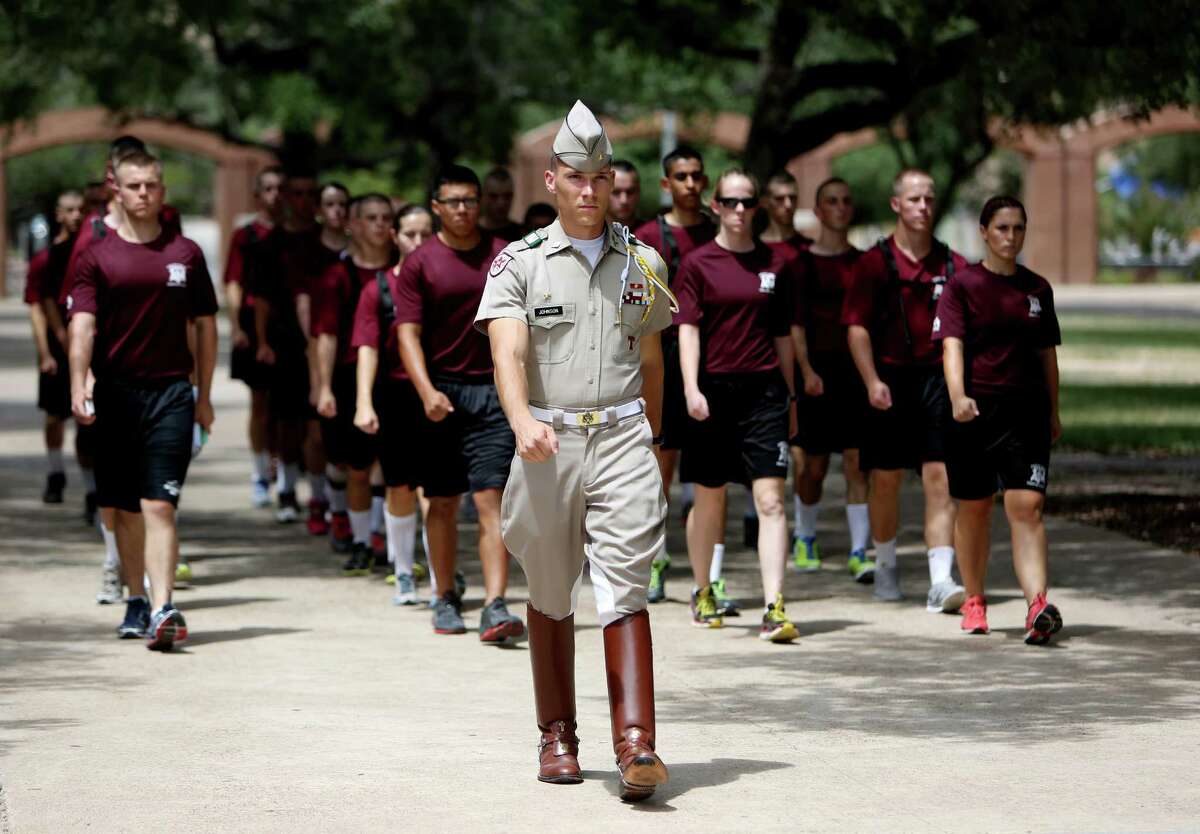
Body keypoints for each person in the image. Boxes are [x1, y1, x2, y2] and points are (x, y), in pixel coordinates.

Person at [477, 99, 673, 800]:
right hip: (547, 441)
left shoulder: (644, 262)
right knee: (552, 587)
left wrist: (652, 435)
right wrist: (521, 419)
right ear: (552, 182)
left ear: (612, 178)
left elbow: (653, 361)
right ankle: (557, 732)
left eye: (600, 176)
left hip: (621, 434)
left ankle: (637, 746)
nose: (588, 190)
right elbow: (507, 351)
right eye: (574, 177)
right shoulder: (518, 263)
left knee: (625, 584)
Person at [67, 150, 217, 651]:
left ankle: (162, 607)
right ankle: (135, 596)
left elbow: (205, 326)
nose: (144, 194)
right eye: (134, 186)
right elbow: (82, 325)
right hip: (114, 392)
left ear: (163, 190)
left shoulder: (186, 254)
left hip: (172, 392)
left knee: (160, 505)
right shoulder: (95, 256)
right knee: (124, 508)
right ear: (118, 190)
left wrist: (205, 395)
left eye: (152, 185)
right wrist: (78, 381)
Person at [396, 165, 525, 643]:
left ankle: (495, 603)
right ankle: (445, 594)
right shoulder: (420, 262)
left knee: (493, 500)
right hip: (441, 394)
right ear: (436, 207)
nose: (464, 210)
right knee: (444, 502)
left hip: (494, 392)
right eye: (453, 202)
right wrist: (427, 391)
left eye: (470, 200)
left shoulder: (503, 256)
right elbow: (406, 333)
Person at [675, 168, 800, 642]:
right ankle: (703, 589)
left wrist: (790, 397)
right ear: (716, 206)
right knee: (710, 497)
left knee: (770, 499)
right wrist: (690, 388)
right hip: (713, 393)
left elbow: (783, 335)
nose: (740, 211)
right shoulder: (697, 263)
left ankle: (774, 605)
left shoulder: (777, 263)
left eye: (748, 202)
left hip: (764, 394)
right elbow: (687, 330)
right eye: (731, 202)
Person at [934, 196, 1064, 644]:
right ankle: (974, 599)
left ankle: (1037, 606)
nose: (1011, 237)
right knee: (974, 508)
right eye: (1003, 228)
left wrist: (1054, 409)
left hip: (1026, 413)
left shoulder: (1038, 290)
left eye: (1018, 229)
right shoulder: (962, 286)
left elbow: (1046, 354)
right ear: (985, 231)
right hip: (973, 413)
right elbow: (951, 346)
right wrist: (957, 397)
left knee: (1026, 506)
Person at [841, 169, 967, 612]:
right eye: (914, 199)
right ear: (897, 204)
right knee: (886, 480)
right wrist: (872, 380)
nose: (923, 207)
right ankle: (888, 565)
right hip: (889, 380)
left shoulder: (954, 265)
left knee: (940, 479)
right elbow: (856, 328)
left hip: (936, 380)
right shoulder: (874, 263)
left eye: (929, 199)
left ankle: (940, 580)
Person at [634, 146, 717, 608]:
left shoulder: (719, 231)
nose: (689, 183)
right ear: (666, 184)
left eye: (696, 175)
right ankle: (657, 559)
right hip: (661, 356)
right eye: (680, 176)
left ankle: (710, 577)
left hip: (712, 359)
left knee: (708, 474)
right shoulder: (647, 237)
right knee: (658, 467)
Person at [789, 178, 873, 581]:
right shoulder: (801, 264)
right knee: (813, 468)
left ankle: (860, 549)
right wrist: (806, 372)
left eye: (846, 201)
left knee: (858, 464)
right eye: (831, 202)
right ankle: (805, 535)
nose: (840, 208)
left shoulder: (863, 263)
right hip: (816, 377)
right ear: (819, 211)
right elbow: (796, 326)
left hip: (855, 377)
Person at [353, 204, 434, 605]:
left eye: (425, 234)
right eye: (410, 234)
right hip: (395, 397)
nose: (417, 242)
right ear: (394, 237)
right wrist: (364, 401)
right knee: (399, 485)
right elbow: (367, 348)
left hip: (439, 394)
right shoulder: (378, 288)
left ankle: (440, 575)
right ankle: (402, 569)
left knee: (436, 490)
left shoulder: (441, 283)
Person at [313, 194, 393, 574]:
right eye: (371, 218)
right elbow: (324, 335)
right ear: (354, 225)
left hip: (396, 375)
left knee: (392, 467)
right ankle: (361, 540)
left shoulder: (402, 269)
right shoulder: (336, 275)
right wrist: (323, 385)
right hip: (349, 378)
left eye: (385, 218)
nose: (379, 224)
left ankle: (386, 538)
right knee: (358, 467)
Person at [254, 171, 322, 524]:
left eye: (311, 193)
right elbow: (262, 297)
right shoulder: (273, 242)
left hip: (324, 342)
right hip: (284, 342)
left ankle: (322, 495)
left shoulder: (326, 240)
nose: (303, 200)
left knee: (319, 423)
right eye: (297, 193)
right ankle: (286, 487)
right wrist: (262, 340)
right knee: (285, 422)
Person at [224, 166, 285, 509]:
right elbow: (232, 281)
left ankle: (288, 473)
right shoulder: (245, 236)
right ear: (258, 195)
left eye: (280, 188)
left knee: (289, 408)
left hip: (289, 326)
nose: (275, 195)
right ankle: (260, 473)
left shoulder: (296, 235)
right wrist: (236, 326)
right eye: (269, 189)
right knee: (260, 404)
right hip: (252, 322)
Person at [293, 182, 351, 540]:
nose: (337, 211)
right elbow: (303, 303)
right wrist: (313, 350)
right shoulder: (307, 250)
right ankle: (318, 497)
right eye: (330, 204)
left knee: (347, 436)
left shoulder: (358, 248)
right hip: (315, 346)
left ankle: (341, 505)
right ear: (320, 209)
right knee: (316, 433)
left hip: (352, 351)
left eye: (342, 204)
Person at [27, 190, 84, 504]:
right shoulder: (45, 260)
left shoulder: (92, 253)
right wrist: (46, 352)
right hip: (57, 348)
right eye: (70, 210)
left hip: (87, 346)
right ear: (58, 214)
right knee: (54, 415)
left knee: (88, 421)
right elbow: (38, 306)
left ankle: (92, 488)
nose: (76, 215)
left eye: (81, 210)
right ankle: (55, 471)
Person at [759, 170, 812, 262]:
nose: (788, 204)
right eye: (779, 199)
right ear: (764, 202)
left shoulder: (811, 250)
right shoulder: (751, 250)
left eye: (792, 198)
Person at [479, 167, 523, 241]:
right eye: (494, 196)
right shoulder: (469, 233)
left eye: (507, 196)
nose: (501, 203)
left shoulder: (523, 235)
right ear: (482, 196)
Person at [608, 159, 642, 227]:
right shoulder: (586, 235)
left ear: (638, 192)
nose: (624, 201)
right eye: (616, 192)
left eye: (630, 192)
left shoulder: (650, 235)